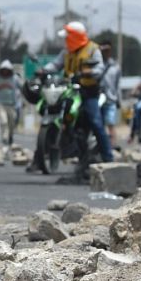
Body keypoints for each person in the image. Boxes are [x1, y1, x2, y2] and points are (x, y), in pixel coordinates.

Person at [44, 21, 107, 181]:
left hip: (88, 92)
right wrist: (44, 70)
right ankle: (41, 156)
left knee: (96, 123)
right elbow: (56, 64)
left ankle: (108, 159)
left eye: (68, 37)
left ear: (74, 37)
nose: (65, 40)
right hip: (69, 90)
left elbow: (100, 68)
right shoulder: (67, 51)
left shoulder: (93, 49)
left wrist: (88, 73)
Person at [0, 61, 22, 148]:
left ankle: (10, 136)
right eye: (4, 70)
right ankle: (4, 138)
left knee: (11, 123)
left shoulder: (14, 79)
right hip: (1, 104)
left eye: (7, 70)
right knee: (3, 121)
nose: (5, 72)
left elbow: (22, 88)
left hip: (12, 105)